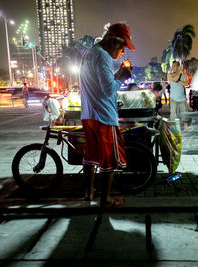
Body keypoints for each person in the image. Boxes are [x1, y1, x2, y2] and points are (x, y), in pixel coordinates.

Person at [79, 22, 134, 210]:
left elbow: (101, 82)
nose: (123, 52)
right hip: (103, 116)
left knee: (90, 155)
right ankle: (106, 199)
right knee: (108, 159)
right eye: (123, 46)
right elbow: (108, 89)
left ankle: (88, 194)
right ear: (114, 41)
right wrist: (122, 78)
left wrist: (118, 74)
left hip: (88, 114)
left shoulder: (90, 54)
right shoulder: (103, 57)